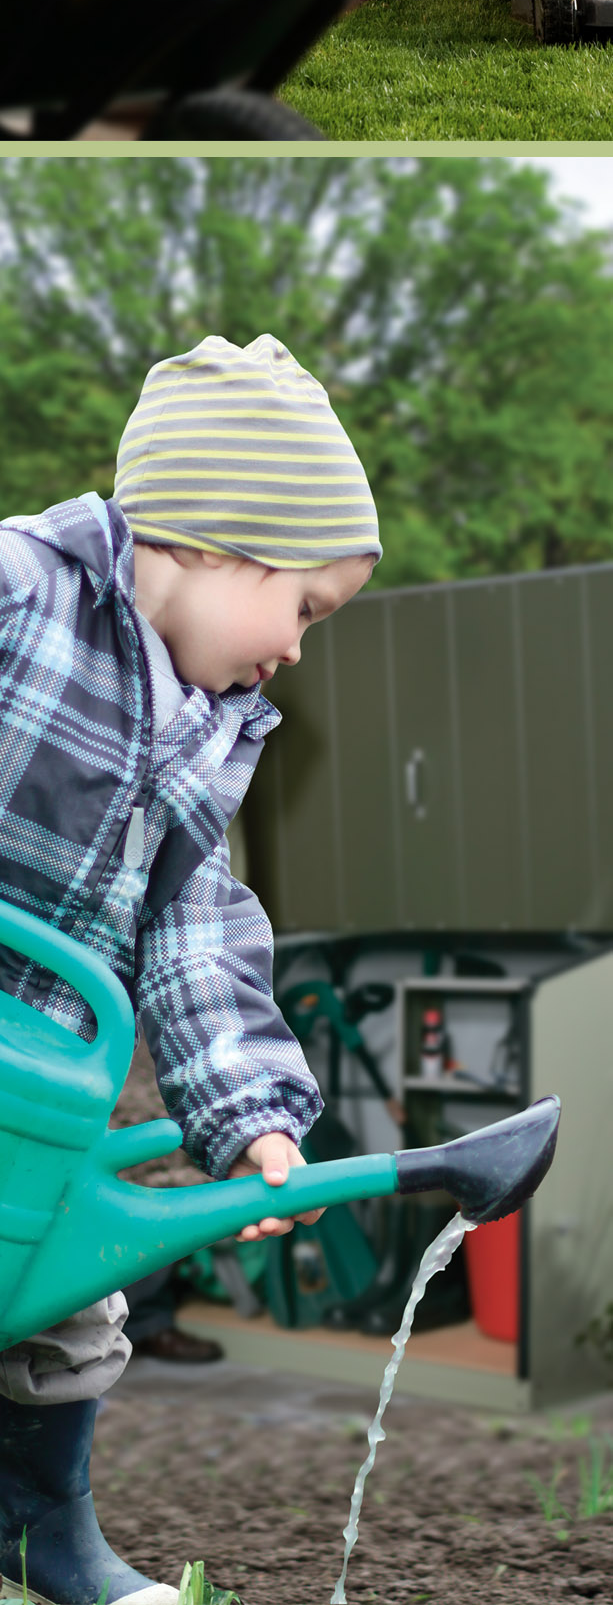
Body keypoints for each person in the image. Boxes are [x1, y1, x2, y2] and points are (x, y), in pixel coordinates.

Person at [0, 331, 380, 1605]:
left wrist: (256, 1126)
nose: (299, 647)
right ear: (221, 543)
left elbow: (195, 933)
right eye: (307, 608)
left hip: (45, 1092)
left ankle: (48, 1541)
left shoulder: (218, 731)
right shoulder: (16, 591)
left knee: (63, 1306)